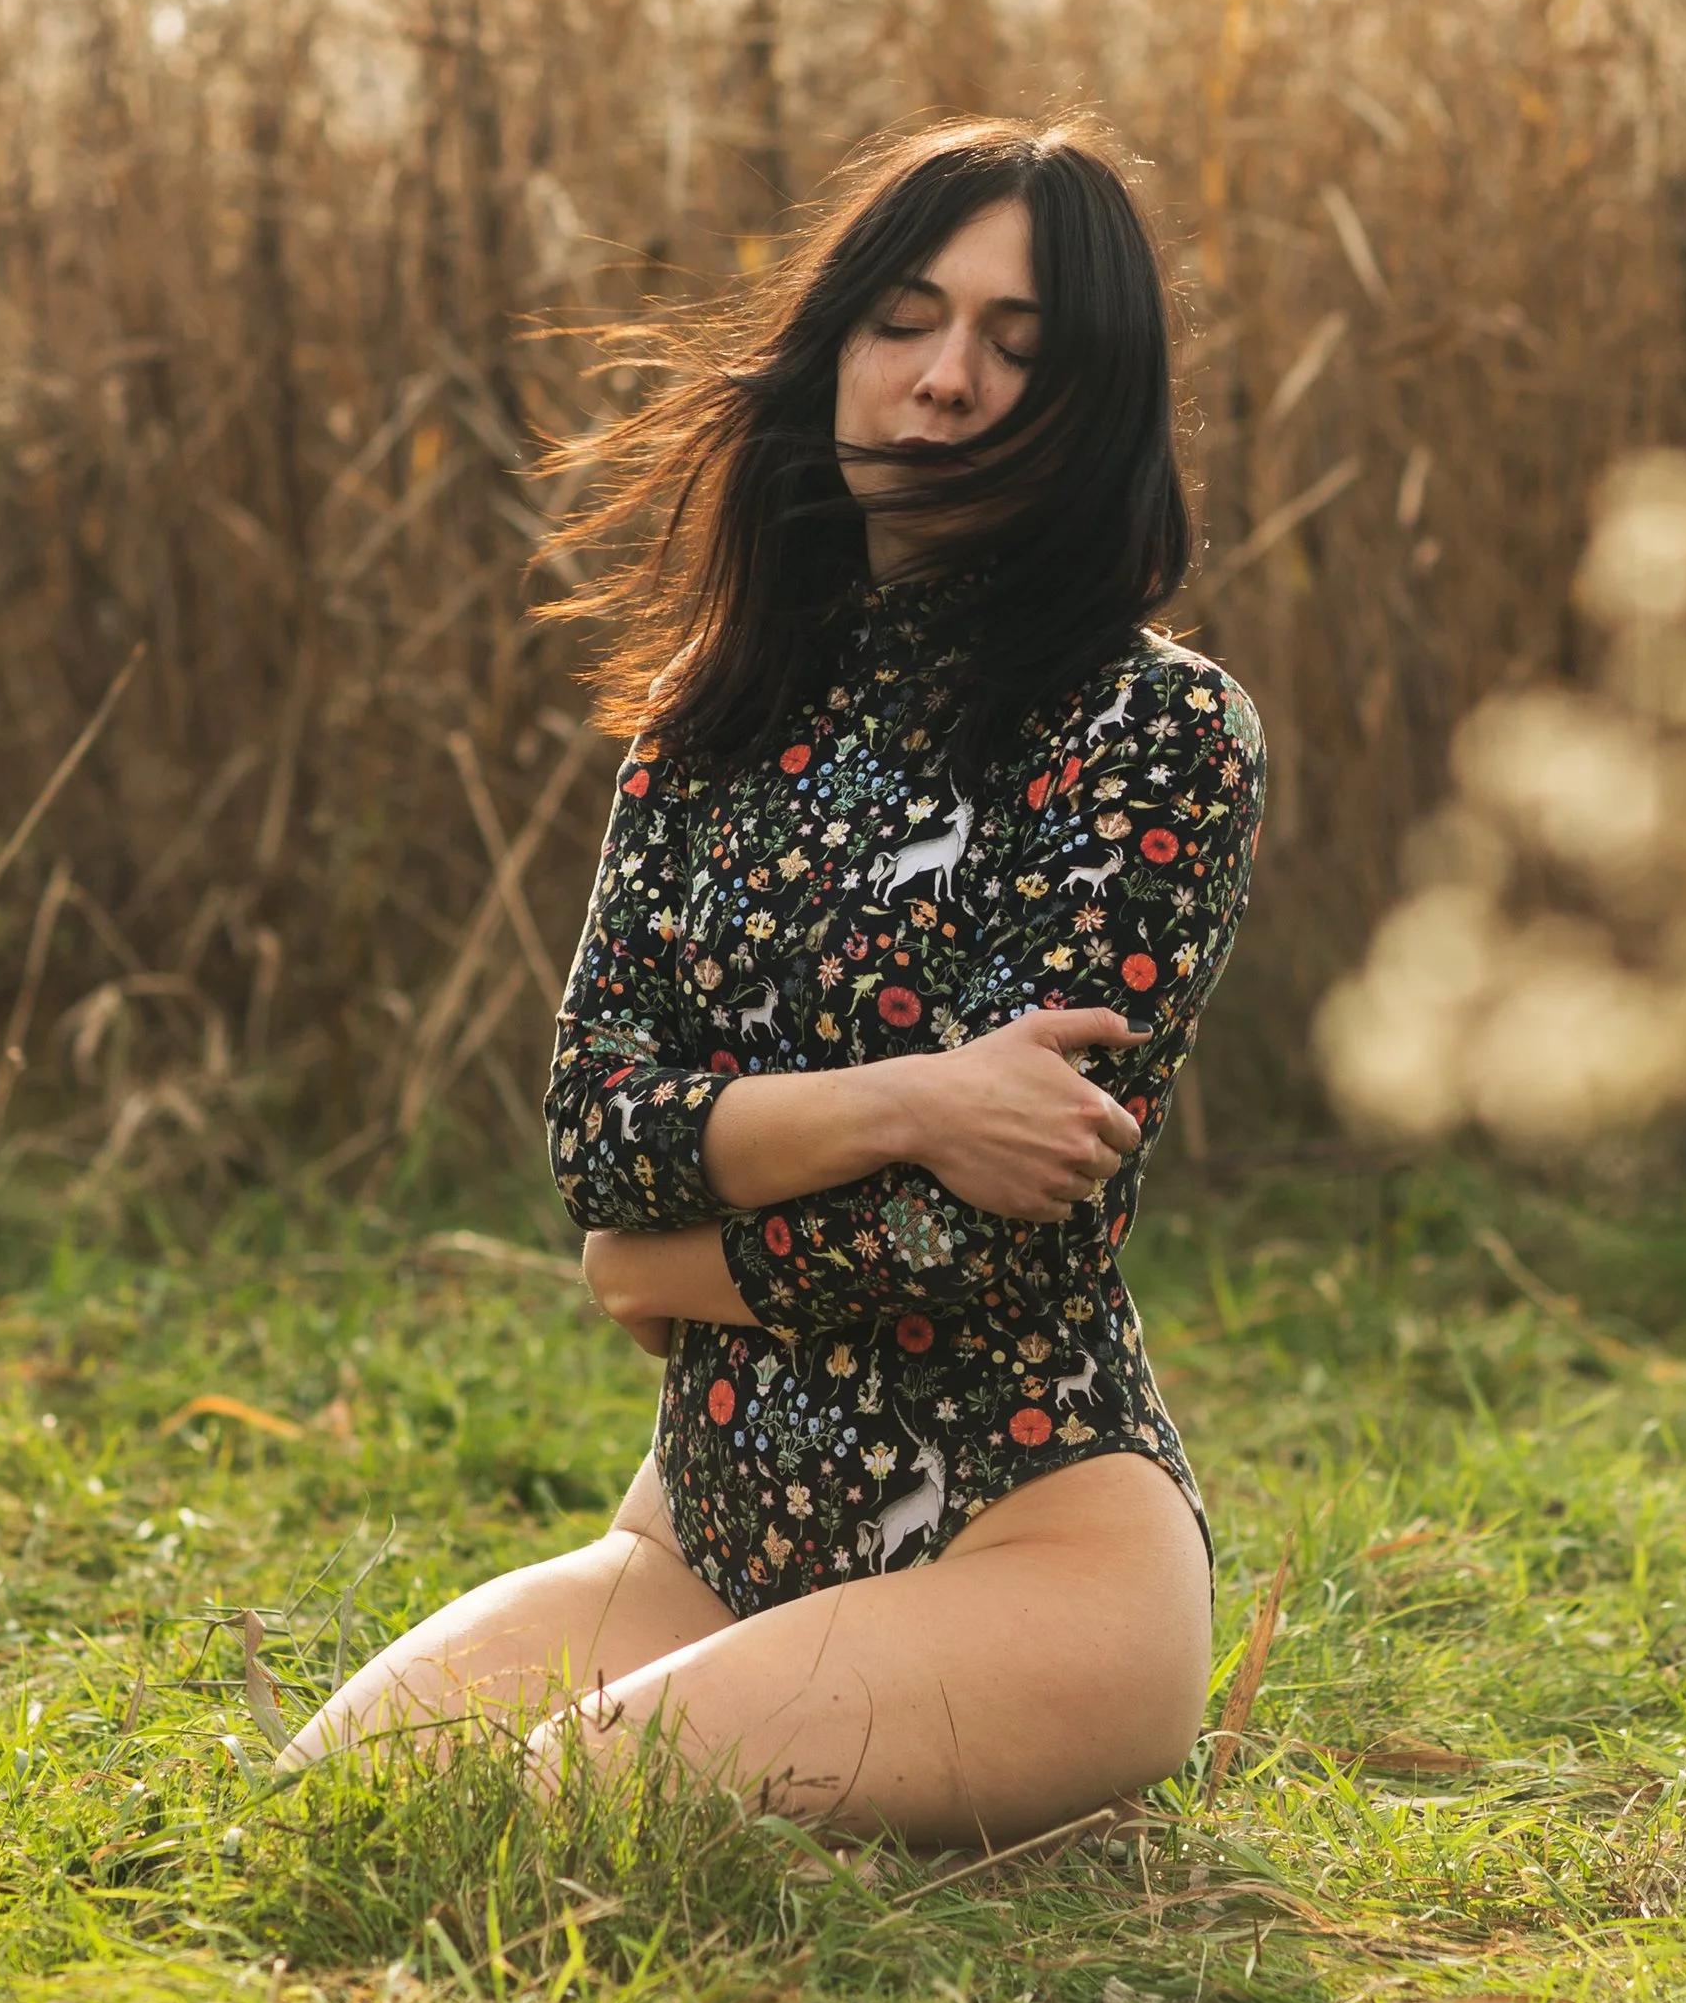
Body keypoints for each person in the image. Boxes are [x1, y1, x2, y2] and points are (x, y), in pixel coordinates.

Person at [283, 115, 1266, 1846]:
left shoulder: (1153, 730)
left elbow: (995, 1236)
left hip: (1028, 1541)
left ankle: (1034, 1765)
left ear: (1088, 406)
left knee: (560, 1817)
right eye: (905, 319)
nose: (946, 378)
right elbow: (596, 1133)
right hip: (705, 1542)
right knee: (329, 1816)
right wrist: (914, 1100)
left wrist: (658, 1259)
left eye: (1016, 349)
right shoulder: (709, 726)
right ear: (837, 350)